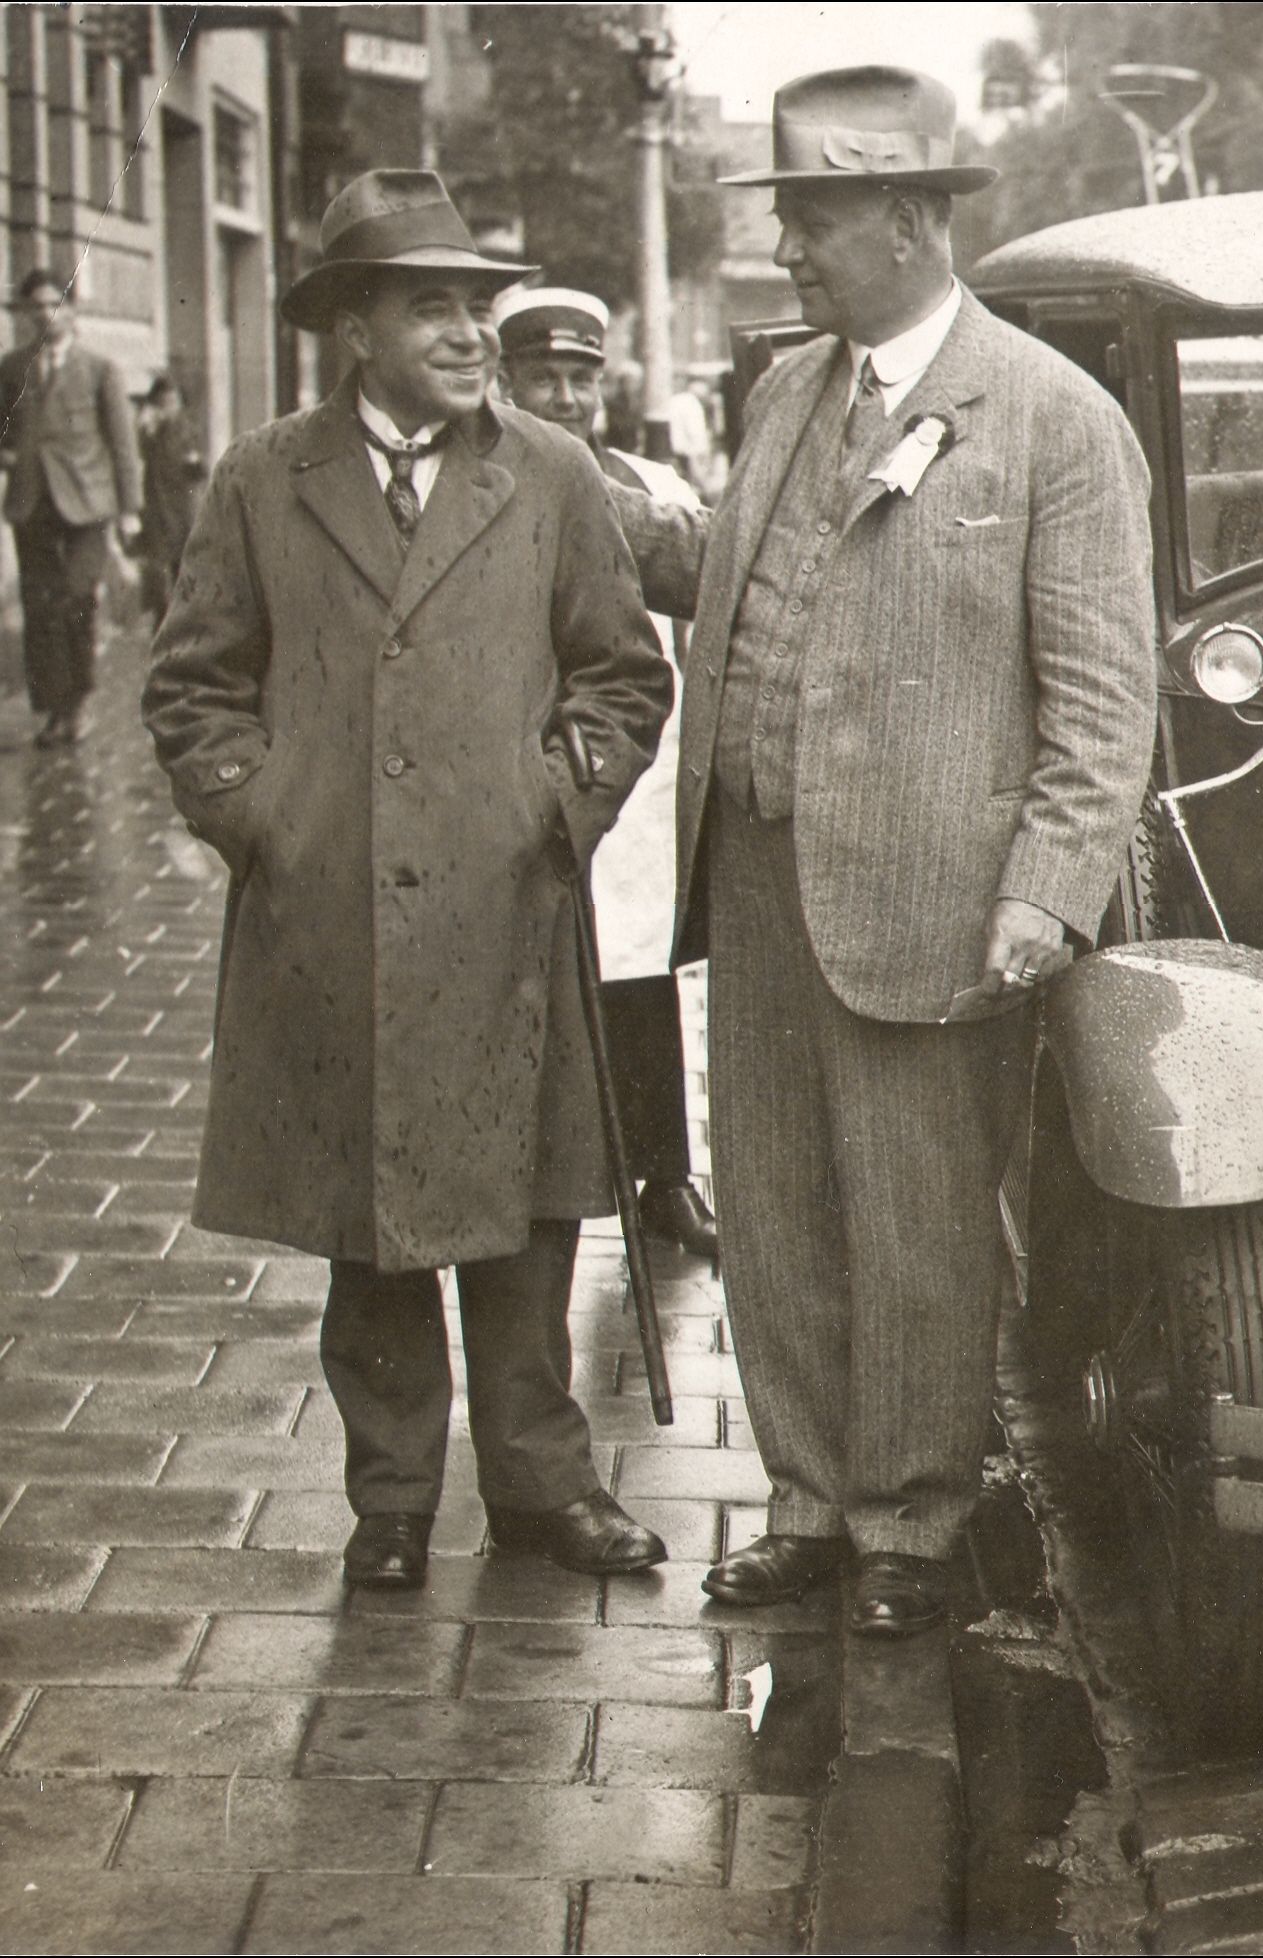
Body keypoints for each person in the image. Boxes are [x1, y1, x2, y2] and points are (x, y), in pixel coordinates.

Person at [607, 65, 1156, 1637]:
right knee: (775, 1204)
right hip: (760, 873)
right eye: (785, 218)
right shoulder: (788, 391)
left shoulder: (1052, 417)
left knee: (919, 1222)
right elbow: (744, 581)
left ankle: (912, 1520)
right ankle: (806, 1499)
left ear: (912, 220)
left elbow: (1104, 695)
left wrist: (1047, 890)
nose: (785, 249)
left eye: (814, 220)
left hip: (936, 895)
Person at [140, 170, 677, 1593]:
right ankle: (389, 1500)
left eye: (477, 306)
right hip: (331, 916)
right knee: (362, 1215)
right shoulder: (261, 477)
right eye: (431, 307)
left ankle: (542, 1485)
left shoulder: (551, 473)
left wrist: (553, 806)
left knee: (529, 1211)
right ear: (356, 330)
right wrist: (271, 820)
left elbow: (624, 674)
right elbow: (192, 688)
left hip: (507, 910)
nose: (468, 333)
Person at [494, 286, 719, 1259]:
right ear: (505, 381)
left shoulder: (648, 483)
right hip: (522, 770)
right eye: (542, 377)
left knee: (637, 976)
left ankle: (662, 1175)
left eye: (579, 378)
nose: (563, 397)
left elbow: (700, 589)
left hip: (633, 779)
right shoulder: (481, 481)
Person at [0, 269, 141, 747]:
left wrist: (129, 509)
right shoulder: (12, 368)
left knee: (78, 601)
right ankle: (52, 709)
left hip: (87, 505)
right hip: (31, 504)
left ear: (72, 309)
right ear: (25, 313)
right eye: (36, 306)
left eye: (54, 303)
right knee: (40, 607)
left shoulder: (99, 369)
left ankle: (78, 703)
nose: (46, 313)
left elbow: (122, 445)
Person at [135, 373, 206, 623]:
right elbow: (140, 455)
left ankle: (182, 621)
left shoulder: (187, 428)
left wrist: (194, 462)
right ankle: (163, 619)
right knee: (156, 568)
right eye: (162, 403)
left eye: (172, 402)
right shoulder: (150, 428)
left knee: (181, 568)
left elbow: (199, 471)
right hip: (157, 508)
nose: (168, 408)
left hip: (182, 509)